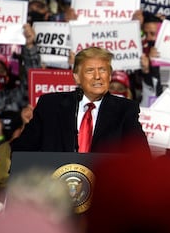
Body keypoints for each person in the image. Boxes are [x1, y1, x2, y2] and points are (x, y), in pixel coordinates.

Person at [12, 46, 149, 154]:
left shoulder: (125, 110)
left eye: (102, 70)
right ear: (77, 77)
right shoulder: (50, 106)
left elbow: (141, 156)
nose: (97, 76)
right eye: (90, 71)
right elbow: (22, 150)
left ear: (109, 76)